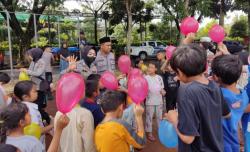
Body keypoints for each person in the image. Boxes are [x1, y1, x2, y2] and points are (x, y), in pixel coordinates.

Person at [165, 43, 231, 152]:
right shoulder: (214, 85)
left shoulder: (185, 91)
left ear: (180, 71)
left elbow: (188, 138)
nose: (176, 77)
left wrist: (173, 119)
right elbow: (227, 114)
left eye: (176, 73)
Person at [211, 54, 249, 152]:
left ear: (215, 77)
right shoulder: (243, 95)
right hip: (233, 142)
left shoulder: (219, 95)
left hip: (219, 144)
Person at [13, 81, 53, 147]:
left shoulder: (20, 106)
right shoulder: (31, 111)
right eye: (35, 91)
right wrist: (52, 125)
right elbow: (38, 131)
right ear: (25, 97)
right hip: (37, 144)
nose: (37, 93)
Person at [20, 48, 50, 125]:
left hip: (40, 87)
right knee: (35, 106)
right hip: (33, 87)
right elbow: (30, 71)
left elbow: (38, 73)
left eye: (30, 54)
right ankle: (43, 120)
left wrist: (26, 71)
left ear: (35, 54)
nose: (29, 56)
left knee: (38, 106)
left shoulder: (41, 62)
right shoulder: (33, 62)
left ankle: (47, 118)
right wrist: (25, 71)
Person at [144, 62, 165, 141]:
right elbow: (144, 89)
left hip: (159, 101)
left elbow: (161, 88)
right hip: (150, 102)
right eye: (149, 67)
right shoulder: (146, 78)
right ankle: (149, 133)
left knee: (159, 117)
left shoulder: (159, 78)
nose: (149, 69)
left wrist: (163, 91)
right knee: (149, 118)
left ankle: (160, 132)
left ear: (156, 69)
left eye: (152, 67)